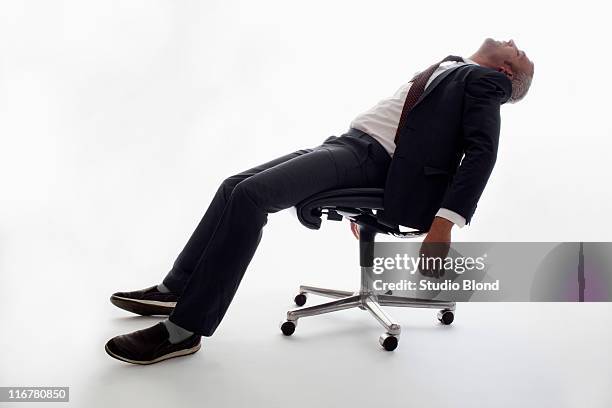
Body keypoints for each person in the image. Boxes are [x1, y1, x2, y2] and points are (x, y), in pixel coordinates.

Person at [105, 38, 535, 364]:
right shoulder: (456, 67)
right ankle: (174, 289)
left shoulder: (486, 81)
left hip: (370, 159)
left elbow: (482, 153)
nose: (513, 42)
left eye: (518, 53)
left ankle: (185, 329)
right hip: (349, 146)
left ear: (505, 72)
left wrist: (444, 224)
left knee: (253, 197)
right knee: (233, 185)